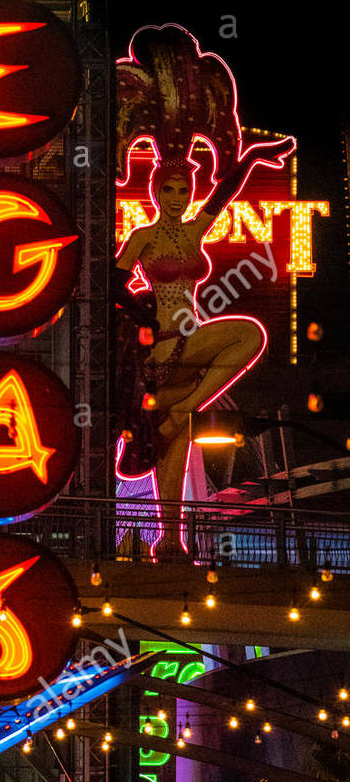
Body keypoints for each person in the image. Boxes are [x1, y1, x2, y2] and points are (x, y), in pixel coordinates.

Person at [116, 136, 293, 555]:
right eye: (169, 189)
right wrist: (142, 313)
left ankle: (171, 542)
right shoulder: (143, 237)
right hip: (165, 344)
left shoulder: (196, 231)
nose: (177, 197)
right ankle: (186, 408)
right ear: (156, 192)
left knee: (171, 450)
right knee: (248, 333)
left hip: (190, 346)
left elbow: (225, 191)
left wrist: (250, 159)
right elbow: (111, 283)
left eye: (184, 189)